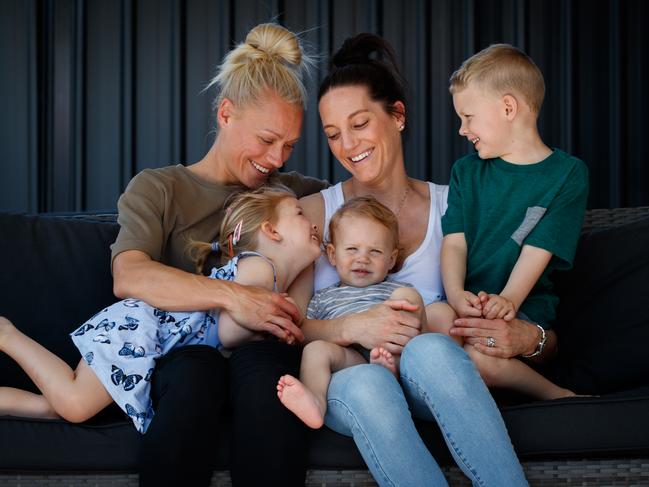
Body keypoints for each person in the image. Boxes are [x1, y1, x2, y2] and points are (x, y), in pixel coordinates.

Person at [82, 23, 324, 487]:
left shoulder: (291, 195)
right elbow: (129, 274)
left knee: (264, 368)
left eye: (289, 145)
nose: (277, 159)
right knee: (197, 370)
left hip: (259, 367)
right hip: (187, 366)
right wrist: (232, 296)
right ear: (226, 113)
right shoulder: (161, 187)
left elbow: (364, 207)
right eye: (267, 139)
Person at [298, 33, 529, 485]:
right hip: (352, 378)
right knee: (369, 384)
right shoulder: (313, 214)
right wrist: (354, 328)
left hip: (431, 376)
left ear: (397, 116)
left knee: (433, 352)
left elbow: (485, 310)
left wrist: (527, 335)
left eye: (360, 124)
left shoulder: (453, 206)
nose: (347, 144)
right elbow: (288, 326)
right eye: (332, 134)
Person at [0, 186, 321, 435]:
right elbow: (227, 330)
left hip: (146, 334)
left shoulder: (272, 279)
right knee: (73, 403)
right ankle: (7, 334)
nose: (313, 222)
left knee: (59, 407)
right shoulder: (260, 270)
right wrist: (273, 324)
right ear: (272, 231)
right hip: (140, 330)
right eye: (299, 213)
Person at [441, 43, 589, 401]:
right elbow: (454, 241)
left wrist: (509, 299)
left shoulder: (567, 175)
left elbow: (539, 248)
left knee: (479, 357)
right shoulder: (466, 171)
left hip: (523, 305)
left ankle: (556, 396)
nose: (462, 129)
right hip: (468, 303)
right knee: (435, 324)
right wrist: (455, 292)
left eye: (468, 116)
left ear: (508, 107)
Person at [277, 196, 426, 428]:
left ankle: (393, 371)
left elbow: (414, 323)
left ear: (391, 259)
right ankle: (315, 401)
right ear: (333, 255)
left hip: (392, 353)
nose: (362, 259)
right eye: (352, 249)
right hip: (351, 361)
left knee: (408, 300)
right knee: (316, 350)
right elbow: (306, 333)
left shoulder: (396, 290)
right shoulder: (323, 298)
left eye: (375, 251)